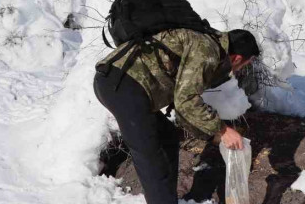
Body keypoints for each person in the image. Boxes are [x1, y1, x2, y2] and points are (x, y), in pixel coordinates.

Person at [94, 28, 260, 204]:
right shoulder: (207, 51)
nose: (241, 69)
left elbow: (183, 108)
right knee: (153, 161)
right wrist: (224, 130)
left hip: (119, 82)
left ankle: (167, 198)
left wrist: (212, 135)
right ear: (237, 58)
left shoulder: (210, 44)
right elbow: (186, 101)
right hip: (123, 86)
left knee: (168, 136)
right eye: (244, 65)